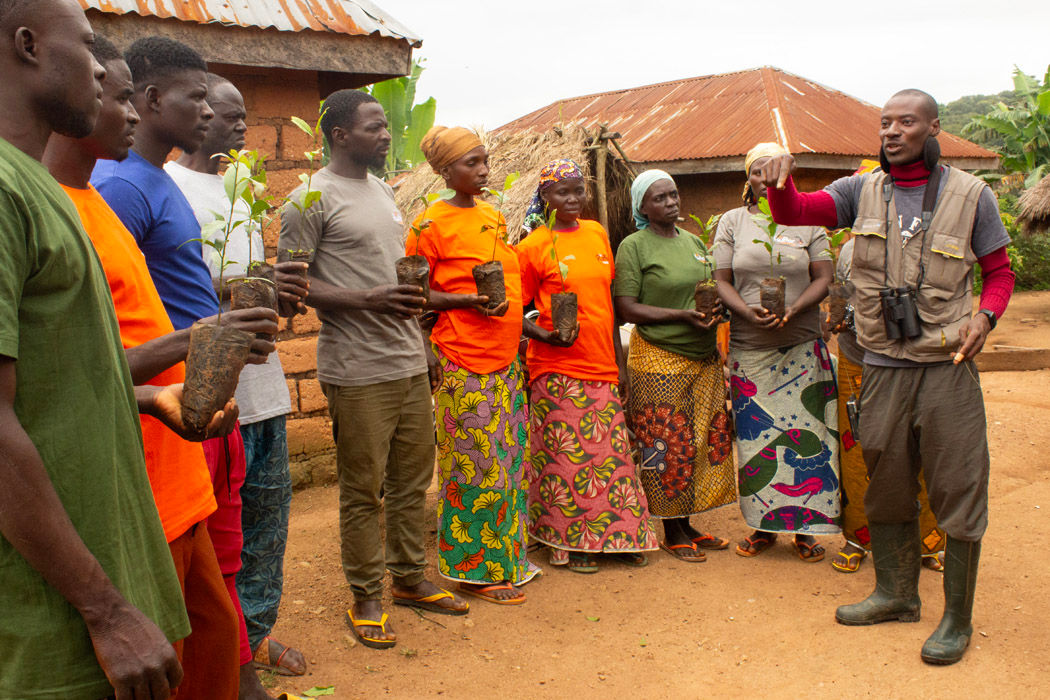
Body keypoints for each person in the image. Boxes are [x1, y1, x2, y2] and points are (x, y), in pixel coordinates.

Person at [41, 35, 289, 698]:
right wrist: (199, 341)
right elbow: (71, 374)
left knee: (208, 647)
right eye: (113, 95)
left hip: (178, 473)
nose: (122, 111)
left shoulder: (99, 203)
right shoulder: (87, 202)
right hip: (141, 489)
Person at [756, 89, 1015, 664]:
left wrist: (985, 316)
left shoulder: (973, 195)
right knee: (887, 480)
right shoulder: (860, 188)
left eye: (906, 121)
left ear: (932, 127)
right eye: (885, 122)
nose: (892, 131)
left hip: (946, 366)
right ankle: (896, 594)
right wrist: (778, 182)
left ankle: (955, 618)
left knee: (957, 486)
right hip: (880, 366)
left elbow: (999, 272)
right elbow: (796, 212)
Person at [0, 2, 186, 697]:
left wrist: (142, 397)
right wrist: (105, 611)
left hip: (90, 584)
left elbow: (45, 384)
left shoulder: (35, 187)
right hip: (51, 622)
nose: (106, 70)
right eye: (85, 46)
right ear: (26, 45)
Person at [279, 91, 468, 650]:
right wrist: (369, 300)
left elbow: (399, 283)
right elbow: (295, 285)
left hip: (407, 359)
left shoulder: (383, 190)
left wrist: (424, 344)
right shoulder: (308, 197)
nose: (387, 135)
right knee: (364, 489)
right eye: (375, 127)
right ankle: (365, 593)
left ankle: (408, 578)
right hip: (357, 367)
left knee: (412, 480)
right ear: (340, 135)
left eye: (386, 126)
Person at [165, 73, 305, 677]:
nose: (242, 124)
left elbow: (250, 282)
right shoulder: (171, 189)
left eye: (248, 115)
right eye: (228, 113)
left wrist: (276, 289)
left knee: (267, 521)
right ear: (198, 115)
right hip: (216, 389)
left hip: (266, 385)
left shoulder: (243, 193)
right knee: (220, 534)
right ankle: (227, 657)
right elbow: (184, 291)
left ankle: (255, 634)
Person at [415, 125, 540, 603]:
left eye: (484, 160)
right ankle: (473, 570)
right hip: (463, 358)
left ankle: (506, 559)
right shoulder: (429, 224)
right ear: (445, 171)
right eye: (471, 163)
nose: (483, 170)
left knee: (508, 462)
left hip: (505, 360)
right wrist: (466, 301)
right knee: (473, 466)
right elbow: (415, 292)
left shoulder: (492, 216)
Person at [517, 159, 658, 573]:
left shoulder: (597, 234)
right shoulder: (533, 246)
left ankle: (619, 536)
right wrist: (545, 336)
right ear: (546, 197)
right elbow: (516, 311)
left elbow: (607, 307)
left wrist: (620, 362)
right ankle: (565, 542)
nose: (574, 199)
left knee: (610, 456)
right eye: (563, 192)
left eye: (579, 190)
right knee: (566, 459)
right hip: (556, 368)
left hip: (601, 362)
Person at [712, 142, 840, 562]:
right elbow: (722, 280)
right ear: (747, 179)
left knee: (812, 439)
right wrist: (745, 310)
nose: (765, 179)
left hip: (802, 342)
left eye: (773, 171)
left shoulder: (809, 221)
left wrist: (797, 307)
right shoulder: (732, 222)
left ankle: (806, 530)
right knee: (757, 442)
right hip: (751, 348)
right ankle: (763, 527)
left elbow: (824, 276)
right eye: (756, 172)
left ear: (787, 175)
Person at [613, 170, 737, 563]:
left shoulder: (695, 243)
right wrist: (682, 316)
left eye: (673, 194)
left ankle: (688, 526)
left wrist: (713, 313)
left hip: (702, 357)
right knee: (666, 445)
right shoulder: (634, 246)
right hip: (658, 357)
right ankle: (671, 529)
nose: (671, 202)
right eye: (660, 198)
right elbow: (626, 307)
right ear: (642, 207)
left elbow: (706, 291)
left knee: (698, 442)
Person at [828, 235, 946, 574]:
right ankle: (857, 538)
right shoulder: (849, 250)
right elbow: (842, 297)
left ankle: (927, 540)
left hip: (909, 363)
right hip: (857, 363)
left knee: (918, 447)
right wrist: (840, 316)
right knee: (856, 452)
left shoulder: (921, 247)